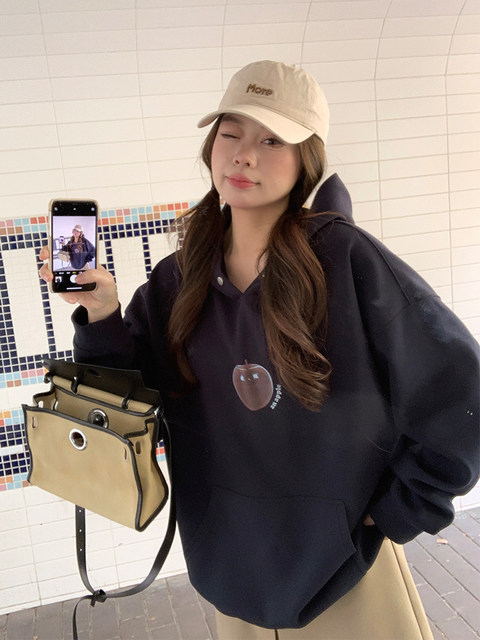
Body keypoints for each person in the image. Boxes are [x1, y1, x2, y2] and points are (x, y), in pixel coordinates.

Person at [39, 60, 479, 639]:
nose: (244, 155)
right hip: (228, 569)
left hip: (346, 571)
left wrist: (393, 514)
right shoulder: (177, 281)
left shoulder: (349, 263)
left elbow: (463, 400)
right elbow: (126, 404)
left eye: (272, 140)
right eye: (231, 133)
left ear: (306, 160)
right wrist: (101, 315)